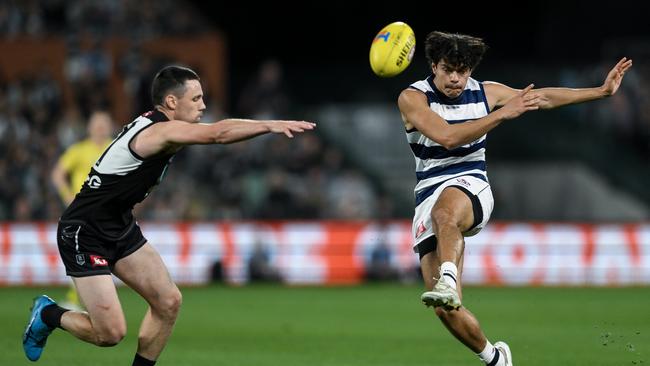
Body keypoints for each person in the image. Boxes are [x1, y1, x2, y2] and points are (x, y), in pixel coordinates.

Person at [23, 65, 316, 365]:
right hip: (84, 231)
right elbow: (217, 134)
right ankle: (47, 314)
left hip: (119, 225)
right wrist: (269, 125)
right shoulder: (159, 131)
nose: (203, 105)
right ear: (172, 103)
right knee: (110, 334)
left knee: (168, 301)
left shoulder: (161, 128)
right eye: (196, 98)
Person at [397, 31, 632, 366]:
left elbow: (545, 97)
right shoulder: (412, 98)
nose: (455, 78)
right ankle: (495, 357)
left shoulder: (485, 91)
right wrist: (501, 115)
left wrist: (601, 91)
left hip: (470, 183)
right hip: (427, 192)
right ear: (434, 65)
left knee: (446, 212)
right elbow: (447, 137)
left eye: (462, 71)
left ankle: (449, 276)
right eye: (448, 69)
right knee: (444, 309)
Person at [51, 110, 114, 311]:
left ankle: (93, 300)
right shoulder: (79, 150)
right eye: (97, 124)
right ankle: (75, 299)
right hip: (82, 213)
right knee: (82, 254)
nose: (100, 128)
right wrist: (67, 196)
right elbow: (58, 173)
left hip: (110, 212)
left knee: (102, 256)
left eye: (103, 124)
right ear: (89, 127)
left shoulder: (115, 147)